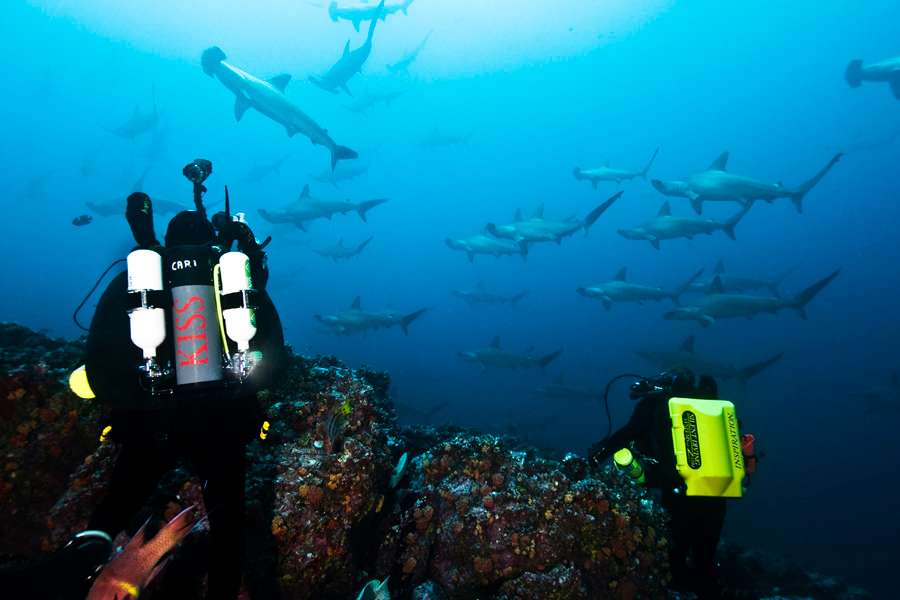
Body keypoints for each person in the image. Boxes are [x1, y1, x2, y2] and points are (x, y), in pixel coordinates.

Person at [82, 160, 285, 599]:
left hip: (147, 426)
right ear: (214, 246)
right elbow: (277, 365)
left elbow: (97, 370)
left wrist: (132, 405)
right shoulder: (230, 283)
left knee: (112, 510)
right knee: (228, 530)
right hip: (222, 423)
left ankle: (75, 573)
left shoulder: (134, 284)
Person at [588, 368, 726, 599]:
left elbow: (628, 433)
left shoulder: (655, 404)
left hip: (679, 493)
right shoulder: (711, 408)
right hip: (717, 494)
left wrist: (595, 456)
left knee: (675, 559)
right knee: (706, 561)